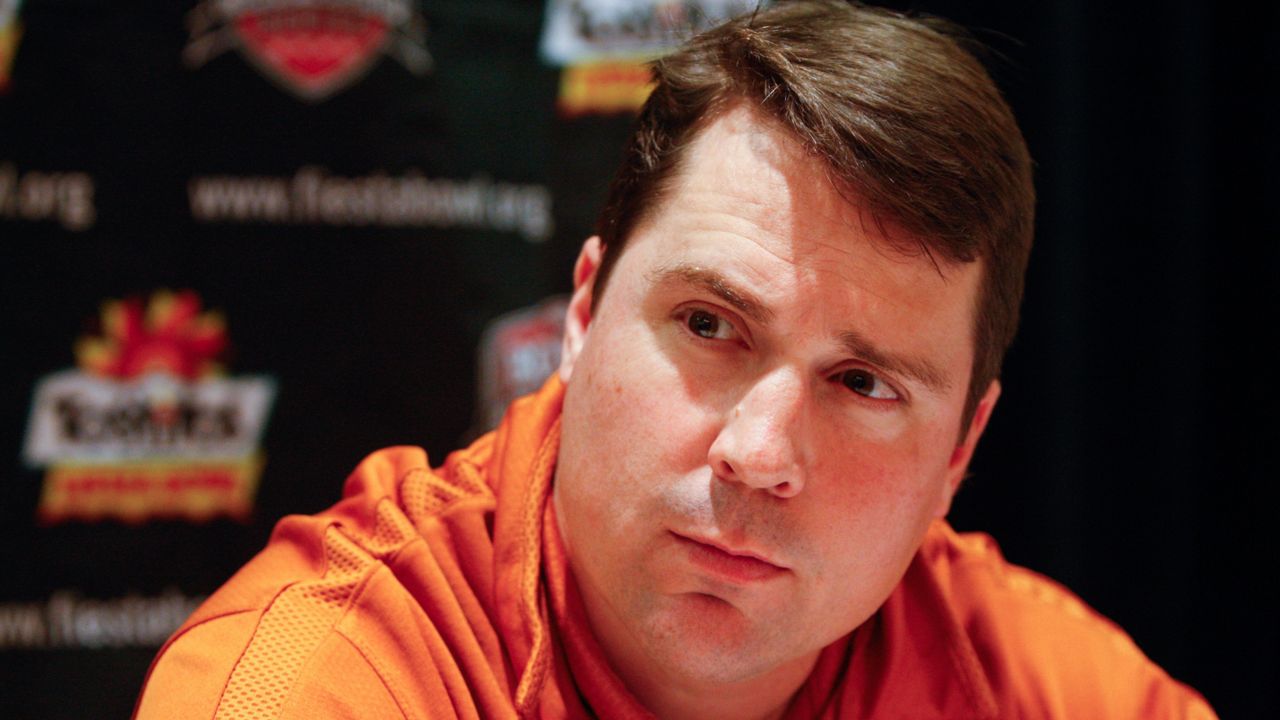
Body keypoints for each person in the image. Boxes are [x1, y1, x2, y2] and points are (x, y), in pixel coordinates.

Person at [134, 2, 1216, 718]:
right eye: (708, 325)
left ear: (960, 451)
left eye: (861, 384)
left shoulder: (1032, 682)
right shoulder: (311, 679)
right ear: (581, 312)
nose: (757, 453)